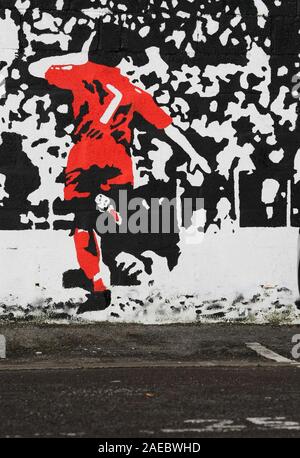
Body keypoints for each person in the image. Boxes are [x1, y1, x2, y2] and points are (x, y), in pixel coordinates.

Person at [29, 30, 210, 314]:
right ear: (120, 57)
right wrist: (194, 154)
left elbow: (33, 68)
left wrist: (75, 56)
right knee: (112, 214)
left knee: (82, 224)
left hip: (85, 156)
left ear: (91, 49)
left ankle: (98, 285)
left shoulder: (79, 73)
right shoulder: (131, 89)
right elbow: (166, 127)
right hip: (118, 160)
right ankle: (111, 207)